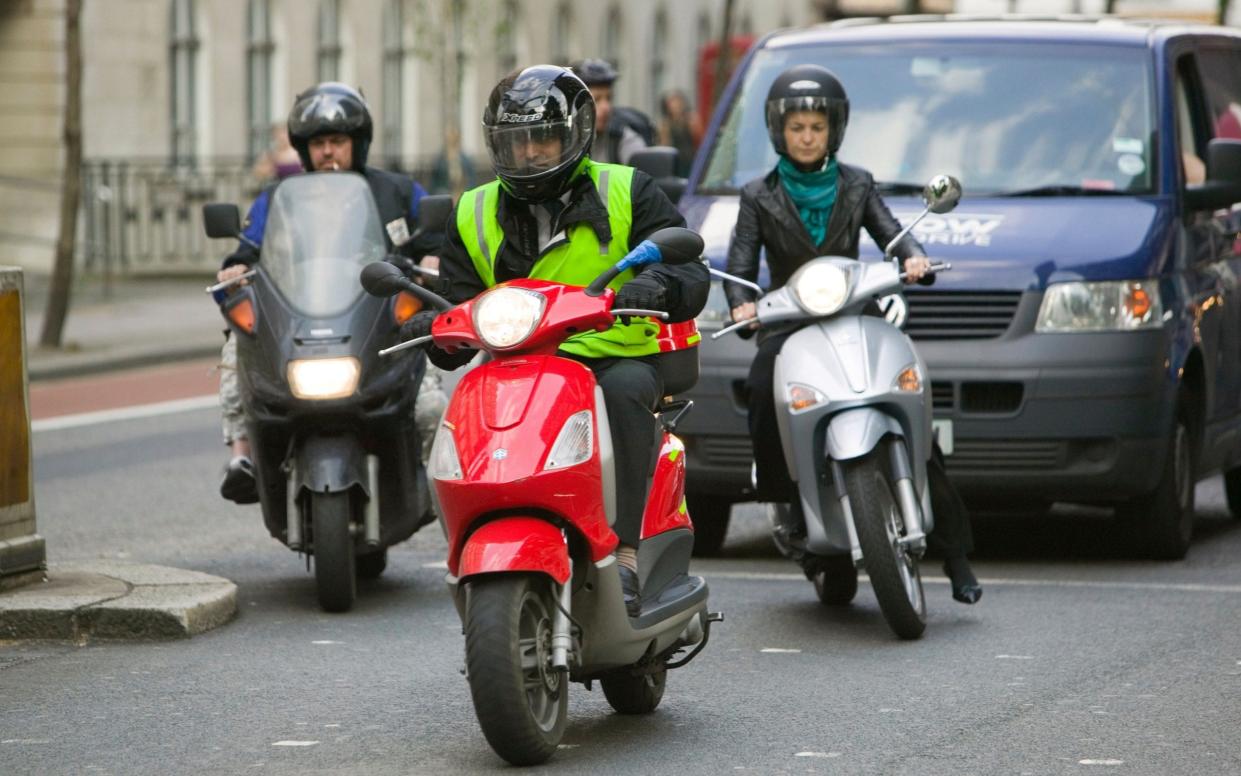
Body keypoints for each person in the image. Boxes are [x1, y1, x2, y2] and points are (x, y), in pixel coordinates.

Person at [409, 65, 709, 617]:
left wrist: (655, 282)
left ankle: (625, 551)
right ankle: (480, 532)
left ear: (576, 134)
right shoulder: (472, 211)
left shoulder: (627, 189)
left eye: (542, 138)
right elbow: (456, 297)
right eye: (516, 142)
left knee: (623, 394)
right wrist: (431, 323)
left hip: (612, 356)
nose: (530, 153)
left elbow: (690, 270)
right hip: (517, 365)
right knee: (467, 404)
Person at [723, 64, 982, 604]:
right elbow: (741, 262)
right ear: (779, 131)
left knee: (910, 410)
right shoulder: (757, 195)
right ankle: (782, 494)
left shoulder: (858, 183)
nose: (807, 137)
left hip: (855, 311)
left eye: (817, 127)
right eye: (797, 128)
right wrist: (742, 303)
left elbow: (892, 236)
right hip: (790, 320)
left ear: (834, 129)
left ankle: (956, 555)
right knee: (762, 381)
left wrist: (914, 260)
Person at [216, 82, 446, 503]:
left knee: (430, 404)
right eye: (318, 143)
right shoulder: (279, 200)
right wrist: (237, 270)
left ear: (358, 143)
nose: (327, 152)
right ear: (304, 150)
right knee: (238, 337)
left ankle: (443, 486)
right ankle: (242, 455)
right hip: (302, 321)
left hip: (384, 322)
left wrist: (433, 262)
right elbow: (249, 250)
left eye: (337, 141)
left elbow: (436, 239)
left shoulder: (396, 191)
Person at [570, 58, 651, 165]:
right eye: (597, 99)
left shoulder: (621, 137)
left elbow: (645, 173)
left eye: (609, 98)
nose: (606, 107)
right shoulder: (562, 140)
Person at [657, 89, 700, 178]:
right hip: (675, 160)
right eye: (672, 103)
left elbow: (699, 138)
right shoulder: (666, 124)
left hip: (690, 159)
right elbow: (664, 144)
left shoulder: (690, 120)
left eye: (677, 102)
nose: (675, 106)